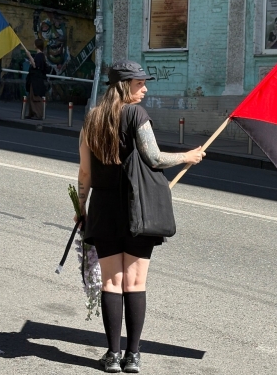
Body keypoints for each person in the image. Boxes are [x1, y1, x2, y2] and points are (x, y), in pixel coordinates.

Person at [76, 60, 205, 373]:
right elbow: (154, 157)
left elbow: (84, 172)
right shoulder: (135, 114)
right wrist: (188, 156)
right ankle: (132, 356)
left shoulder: (91, 119)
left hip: (104, 210)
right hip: (138, 209)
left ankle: (112, 356)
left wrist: (81, 208)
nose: (145, 89)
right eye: (139, 84)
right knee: (134, 283)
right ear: (124, 86)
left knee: (111, 282)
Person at [25, 39, 49, 119]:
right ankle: (32, 113)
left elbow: (36, 66)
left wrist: (29, 56)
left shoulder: (39, 55)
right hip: (34, 79)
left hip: (36, 80)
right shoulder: (41, 56)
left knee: (36, 96)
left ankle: (38, 114)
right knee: (31, 96)